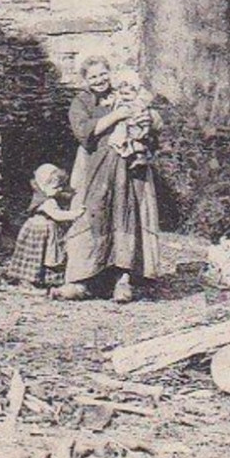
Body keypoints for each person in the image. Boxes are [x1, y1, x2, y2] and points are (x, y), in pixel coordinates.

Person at [55, 55, 162, 303]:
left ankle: (123, 280)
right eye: (93, 76)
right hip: (95, 167)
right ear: (85, 80)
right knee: (92, 214)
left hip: (128, 168)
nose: (100, 80)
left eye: (103, 74)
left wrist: (150, 119)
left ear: (109, 73)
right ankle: (82, 280)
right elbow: (83, 131)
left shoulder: (123, 93)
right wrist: (116, 116)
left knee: (125, 214)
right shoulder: (81, 102)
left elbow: (151, 116)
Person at [2, 164, 81, 289]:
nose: (60, 189)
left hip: (41, 228)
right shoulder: (47, 202)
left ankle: (41, 278)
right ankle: (27, 280)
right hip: (40, 230)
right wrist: (75, 214)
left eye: (61, 186)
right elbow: (57, 215)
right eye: (56, 187)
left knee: (43, 255)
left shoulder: (45, 195)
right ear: (43, 186)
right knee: (37, 255)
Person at [106, 67, 157, 172]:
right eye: (122, 94)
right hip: (125, 128)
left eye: (127, 94)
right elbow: (114, 104)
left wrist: (145, 128)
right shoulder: (122, 102)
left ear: (136, 93)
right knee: (125, 144)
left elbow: (145, 117)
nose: (124, 97)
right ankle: (131, 160)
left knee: (137, 143)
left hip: (135, 126)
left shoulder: (137, 105)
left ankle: (140, 159)